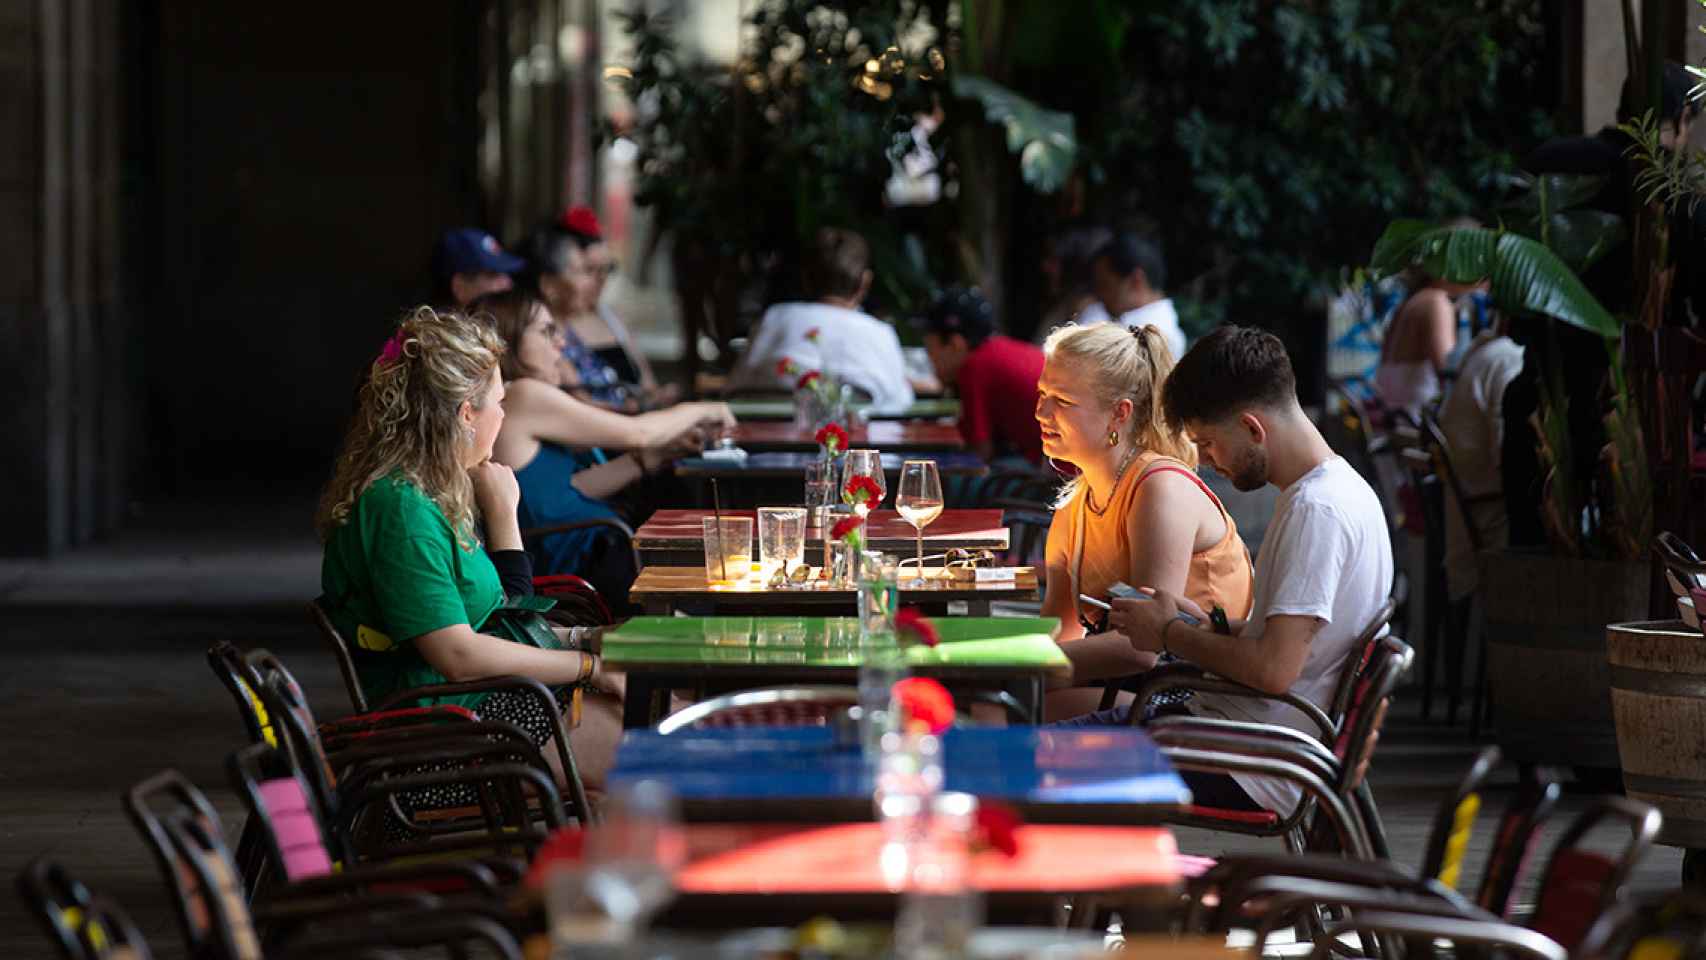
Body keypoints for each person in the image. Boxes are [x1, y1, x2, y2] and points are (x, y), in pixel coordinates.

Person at [316, 306, 623, 796]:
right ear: (465, 413)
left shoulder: (431, 492)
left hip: (483, 703)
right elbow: (458, 652)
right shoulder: (401, 510)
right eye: (498, 402)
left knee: (661, 706)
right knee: (662, 747)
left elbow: (493, 620)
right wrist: (589, 666)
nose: (504, 414)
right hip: (444, 736)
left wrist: (587, 639)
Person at [1107, 325, 1394, 815]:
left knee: (1046, 755)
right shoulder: (1337, 490)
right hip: (1242, 733)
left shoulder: (1317, 512)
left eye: (1209, 444)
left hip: (1255, 760)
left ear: (1252, 428)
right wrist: (1212, 627)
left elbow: (1274, 670)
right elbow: (1301, 645)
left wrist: (1170, 632)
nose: (1208, 462)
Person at [1036, 323, 1254, 720]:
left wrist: (1013, 668)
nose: (1041, 412)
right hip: (1138, 690)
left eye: (1063, 401)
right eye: (1042, 394)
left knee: (1004, 713)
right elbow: (1058, 633)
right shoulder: (1074, 507)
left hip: (1202, 701)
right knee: (994, 706)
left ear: (1119, 413)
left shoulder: (1159, 487)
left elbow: (1139, 650)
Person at [475, 288, 735, 606]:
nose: (562, 343)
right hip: (582, 568)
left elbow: (563, 492)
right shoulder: (523, 395)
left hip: (589, 549)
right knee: (717, 572)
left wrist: (649, 458)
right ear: (508, 341)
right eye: (546, 332)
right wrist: (704, 408)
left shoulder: (519, 400)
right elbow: (639, 432)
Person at [728, 227, 919, 412]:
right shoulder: (880, 332)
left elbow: (735, 389)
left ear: (805, 278)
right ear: (864, 282)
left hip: (762, 442)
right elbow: (901, 405)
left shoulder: (773, 317)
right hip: (854, 442)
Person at [552, 207, 680, 408]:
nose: (600, 280)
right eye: (589, 270)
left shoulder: (611, 318)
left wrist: (656, 398)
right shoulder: (552, 326)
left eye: (607, 269)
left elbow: (647, 384)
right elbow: (576, 403)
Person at [1437, 317, 1523, 602]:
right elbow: (1504, 458)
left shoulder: (1489, 353)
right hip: (1489, 534)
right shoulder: (1508, 360)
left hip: (1462, 529)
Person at [921, 287, 1046, 465]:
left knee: (949, 482)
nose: (930, 359)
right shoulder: (997, 350)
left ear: (955, 344)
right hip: (1075, 460)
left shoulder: (974, 367)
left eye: (930, 349)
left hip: (1060, 473)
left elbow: (980, 453)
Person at [518, 217, 632, 410]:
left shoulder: (569, 330)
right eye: (583, 271)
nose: (594, 282)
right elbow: (583, 407)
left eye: (606, 269)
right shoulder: (535, 335)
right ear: (549, 285)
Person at [1372, 225, 1484, 420]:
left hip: (1396, 430)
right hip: (1415, 432)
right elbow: (1449, 378)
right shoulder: (1436, 303)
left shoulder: (1410, 302)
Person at [1091, 231, 1187, 361]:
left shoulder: (1156, 336)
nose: (1100, 295)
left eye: (1106, 285)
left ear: (1136, 281)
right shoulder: (1148, 327)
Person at [431, 228, 525, 307]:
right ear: (460, 287)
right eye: (493, 275)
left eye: (505, 274)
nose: (509, 284)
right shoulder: (431, 328)